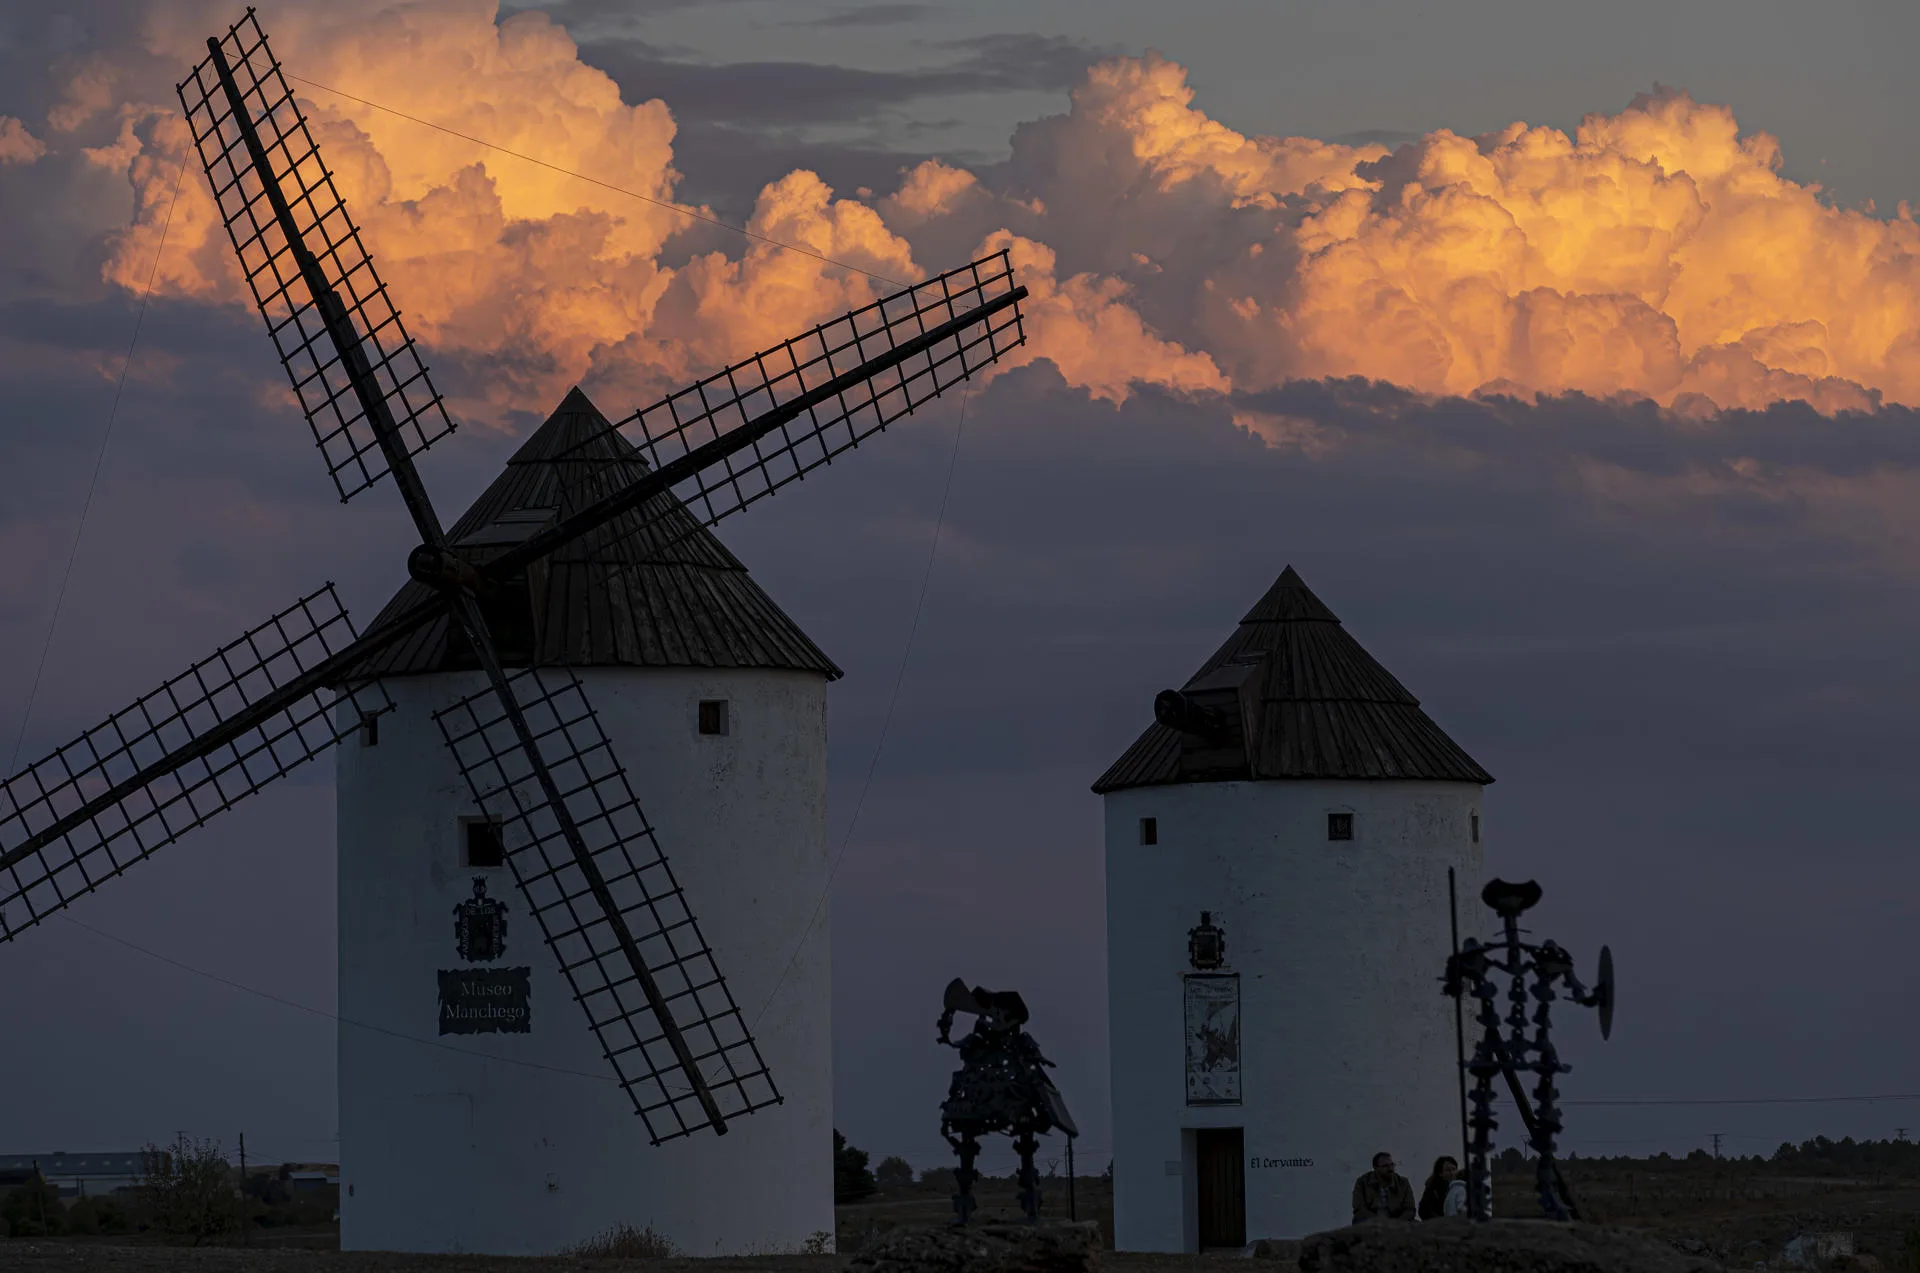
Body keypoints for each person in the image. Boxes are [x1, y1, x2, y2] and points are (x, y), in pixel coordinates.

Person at [1351, 1151, 1416, 1223]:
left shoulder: (1402, 1183)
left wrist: (1397, 1223)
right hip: (1371, 1221)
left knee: (1416, 1225)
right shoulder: (1362, 1182)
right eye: (1385, 1166)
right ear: (1375, 1168)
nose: (1390, 1168)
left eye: (1392, 1165)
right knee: (1359, 1220)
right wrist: (1379, 1221)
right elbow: (1360, 1208)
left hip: (1396, 1221)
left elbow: (1410, 1209)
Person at [1418, 1156, 1459, 1220]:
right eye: (1448, 1170)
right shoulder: (1432, 1189)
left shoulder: (1462, 1186)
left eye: (1454, 1169)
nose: (1452, 1173)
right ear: (1440, 1173)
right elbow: (1424, 1211)